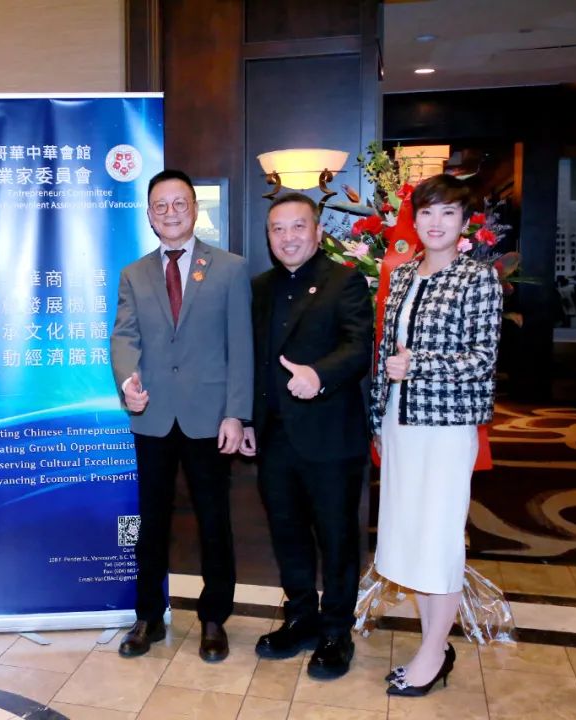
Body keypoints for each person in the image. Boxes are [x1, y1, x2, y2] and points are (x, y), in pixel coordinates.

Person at [111, 169, 252, 663]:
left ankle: (214, 618)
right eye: (160, 206)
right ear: (149, 216)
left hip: (209, 417)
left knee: (214, 520)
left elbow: (241, 346)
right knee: (151, 521)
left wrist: (237, 414)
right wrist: (127, 381)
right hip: (152, 416)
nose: (170, 213)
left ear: (194, 208)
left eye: (179, 203)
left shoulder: (230, 269)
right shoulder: (134, 274)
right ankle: (147, 616)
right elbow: (124, 336)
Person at [371, 174, 502, 697]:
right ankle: (433, 644)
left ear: (464, 222)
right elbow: (386, 354)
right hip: (400, 424)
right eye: (427, 212)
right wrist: (378, 419)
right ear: (415, 219)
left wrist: (419, 365)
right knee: (409, 535)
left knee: (439, 537)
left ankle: (433, 652)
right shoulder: (403, 275)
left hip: (446, 429)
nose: (436, 222)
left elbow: (482, 359)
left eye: (448, 212)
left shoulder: (478, 279)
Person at [240, 192, 373, 680]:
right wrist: (246, 420)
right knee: (287, 534)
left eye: (298, 226)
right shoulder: (259, 288)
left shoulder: (344, 280)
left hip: (330, 437)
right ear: (268, 237)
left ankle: (337, 631)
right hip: (274, 437)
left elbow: (359, 346)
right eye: (277, 229)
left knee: (336, 538)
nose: (288, 237)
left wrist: (319, 375)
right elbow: (251, 360)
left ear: (318, 232)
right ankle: (300, 618)